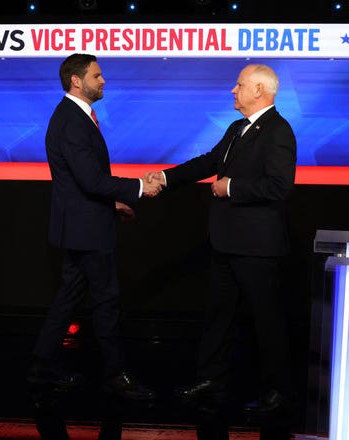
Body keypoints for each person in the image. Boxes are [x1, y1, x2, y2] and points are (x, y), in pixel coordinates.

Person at [146, 64, 297, 417]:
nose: (233, 90)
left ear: (259, 90)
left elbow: (279, 187)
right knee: (218, 317)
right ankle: (211, 380)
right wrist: (166, 178)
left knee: (266, 321)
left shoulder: (279, 131)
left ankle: (279, 392)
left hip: (257, 247)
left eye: (240, 84)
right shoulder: (236, 128)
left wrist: (231, 187)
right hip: (226, 242)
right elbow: (210, 162)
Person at [27, 53, 161, 402]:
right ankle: (115, 375)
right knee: (107, 299)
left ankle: (41, 367)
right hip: (86, 230)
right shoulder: (72, 120)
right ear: (76, 81)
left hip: (82, 223)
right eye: (97, 75)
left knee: (70, 294)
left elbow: (78, 181)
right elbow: (90, 179)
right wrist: (136, 188)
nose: (103, 81)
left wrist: (112, 204)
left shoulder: (74, 116)